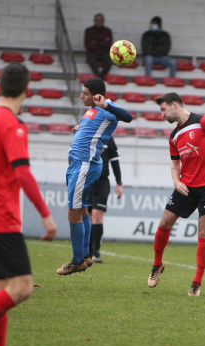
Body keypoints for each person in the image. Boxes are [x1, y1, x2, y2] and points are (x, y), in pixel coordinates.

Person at [0, 62, 57, 346]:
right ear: (27, 90)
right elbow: (23, 173)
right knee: (22, 287)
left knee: (0, 289)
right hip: (1, 216)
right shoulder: (12, 125)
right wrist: (46, 215)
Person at [147, 92, 205, 296]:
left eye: (163, 109)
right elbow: (175, 164)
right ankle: (157, 266)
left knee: (203, 233)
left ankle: (196, 283)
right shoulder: (173, 136)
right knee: (164, 223)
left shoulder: (203, 122)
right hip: (186, 186)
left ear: (174, 105)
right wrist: (176, 181)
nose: (162, 114)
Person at [57, 78, 132, 276]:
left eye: (85, 93)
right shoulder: (92, 110)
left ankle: (76, 260)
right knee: (82, 211)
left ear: (96, 95)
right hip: (79, 165)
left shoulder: (106, 108)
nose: (81, 96)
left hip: (84, 166)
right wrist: (78, 127)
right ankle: (86, 255)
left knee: (73, 213)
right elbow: (91, 128)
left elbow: (128, 117)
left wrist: (104, 103)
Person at [88, 136, 123, 263]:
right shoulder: (85, 133)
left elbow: (115, 161)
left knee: (97, 215)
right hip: (86, 182)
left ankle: (96, 251)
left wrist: (119, 183)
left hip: (102, 184)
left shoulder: (108, 138)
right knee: (88, 217)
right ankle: (88, 251)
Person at [84, 13, 113, 80]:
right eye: (97, 20)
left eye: (100, 20)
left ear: (103, 21)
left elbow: (108, 44)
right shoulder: (88, 30)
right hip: (92, 52)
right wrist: (102, 42)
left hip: (104, 52)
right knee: (91, 61)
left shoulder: (108, 31)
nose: (98, 22)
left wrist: (95, 42)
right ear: (94, 21)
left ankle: (100, 78)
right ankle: (99, 78)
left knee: (109, 62)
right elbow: (87, 45)